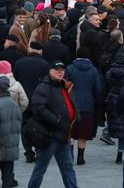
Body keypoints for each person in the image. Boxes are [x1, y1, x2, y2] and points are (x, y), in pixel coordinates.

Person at [27, 60, 79, 188]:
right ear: (50, 71)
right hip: (49, 136)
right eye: (57, 70)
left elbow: (71, 103)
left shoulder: (65, 85)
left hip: (64, 135)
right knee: (41, 168)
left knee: (67, 167)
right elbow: (38, 108)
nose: (60, 72)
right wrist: (56, 120)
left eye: (62, 70)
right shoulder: (43, 87)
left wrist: (77, 115)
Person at [65, 48, 102, 165]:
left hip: (71, 104)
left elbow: (65, 86)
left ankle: (70, 155)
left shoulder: (70, 68)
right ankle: (81, 157)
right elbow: (98, 89)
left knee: (71, 132)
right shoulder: (93, 70)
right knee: (83, 133)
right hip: (87, 105)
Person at [13, 41, 48, 163]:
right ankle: (39, 150)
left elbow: (15, 81)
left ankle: (28, 152)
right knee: (40, 127)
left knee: (25, 127)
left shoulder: (19, 63)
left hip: (23, 100)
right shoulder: (44, 64)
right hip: (39, 101)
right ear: (41, 51)